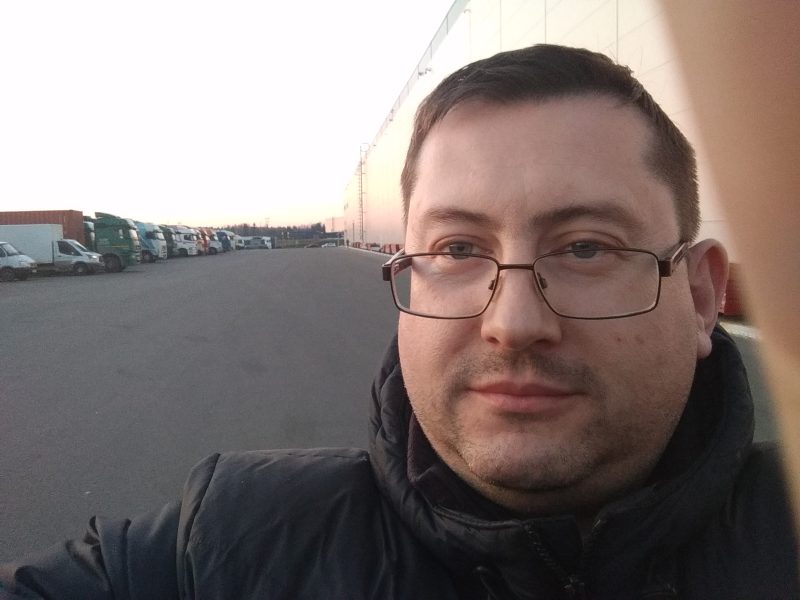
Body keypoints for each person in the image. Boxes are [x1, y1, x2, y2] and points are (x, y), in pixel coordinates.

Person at [1, 44, 797, 599]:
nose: (515, 323)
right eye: (459, 248)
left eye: (587, 247)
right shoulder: (229, 547)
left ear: (701, 297)